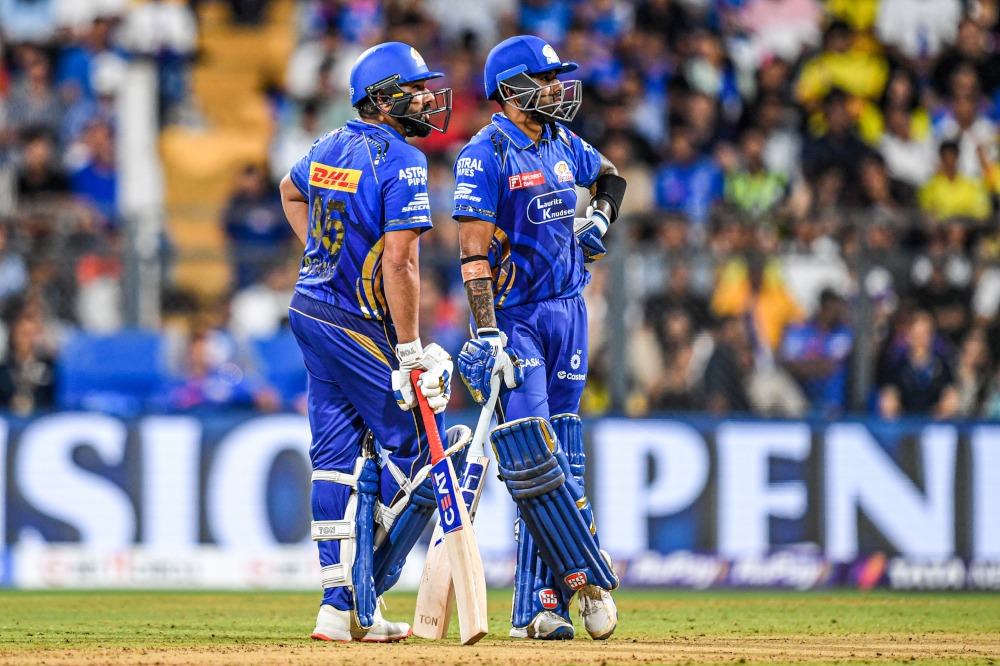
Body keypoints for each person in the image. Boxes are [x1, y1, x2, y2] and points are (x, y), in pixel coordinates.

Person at [278, 42, 458, 643]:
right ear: (381, 99)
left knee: (332, 460)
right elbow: (401, 263)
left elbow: (289, 190)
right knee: (420, 452)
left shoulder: (329, 144)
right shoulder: (403, 158)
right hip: (357, 322)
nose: (426, 100)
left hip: (309, 308)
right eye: (414, 91)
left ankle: (336, 608)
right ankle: (364, 591)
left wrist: (320, 253)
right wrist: (410, 351)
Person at [452, 35, 625, 641]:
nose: (556, 88)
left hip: (569, 310)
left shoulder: (561, 141)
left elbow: (611, 177)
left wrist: (599, 218)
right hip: (516, 317)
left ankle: (539, 606)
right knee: (535, 454)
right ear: (510, 89)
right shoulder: (485, 154)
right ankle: (586, 573)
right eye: (544, 79)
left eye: (557, 78)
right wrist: (487, 332)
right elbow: (472, 254)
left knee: (563, 454)